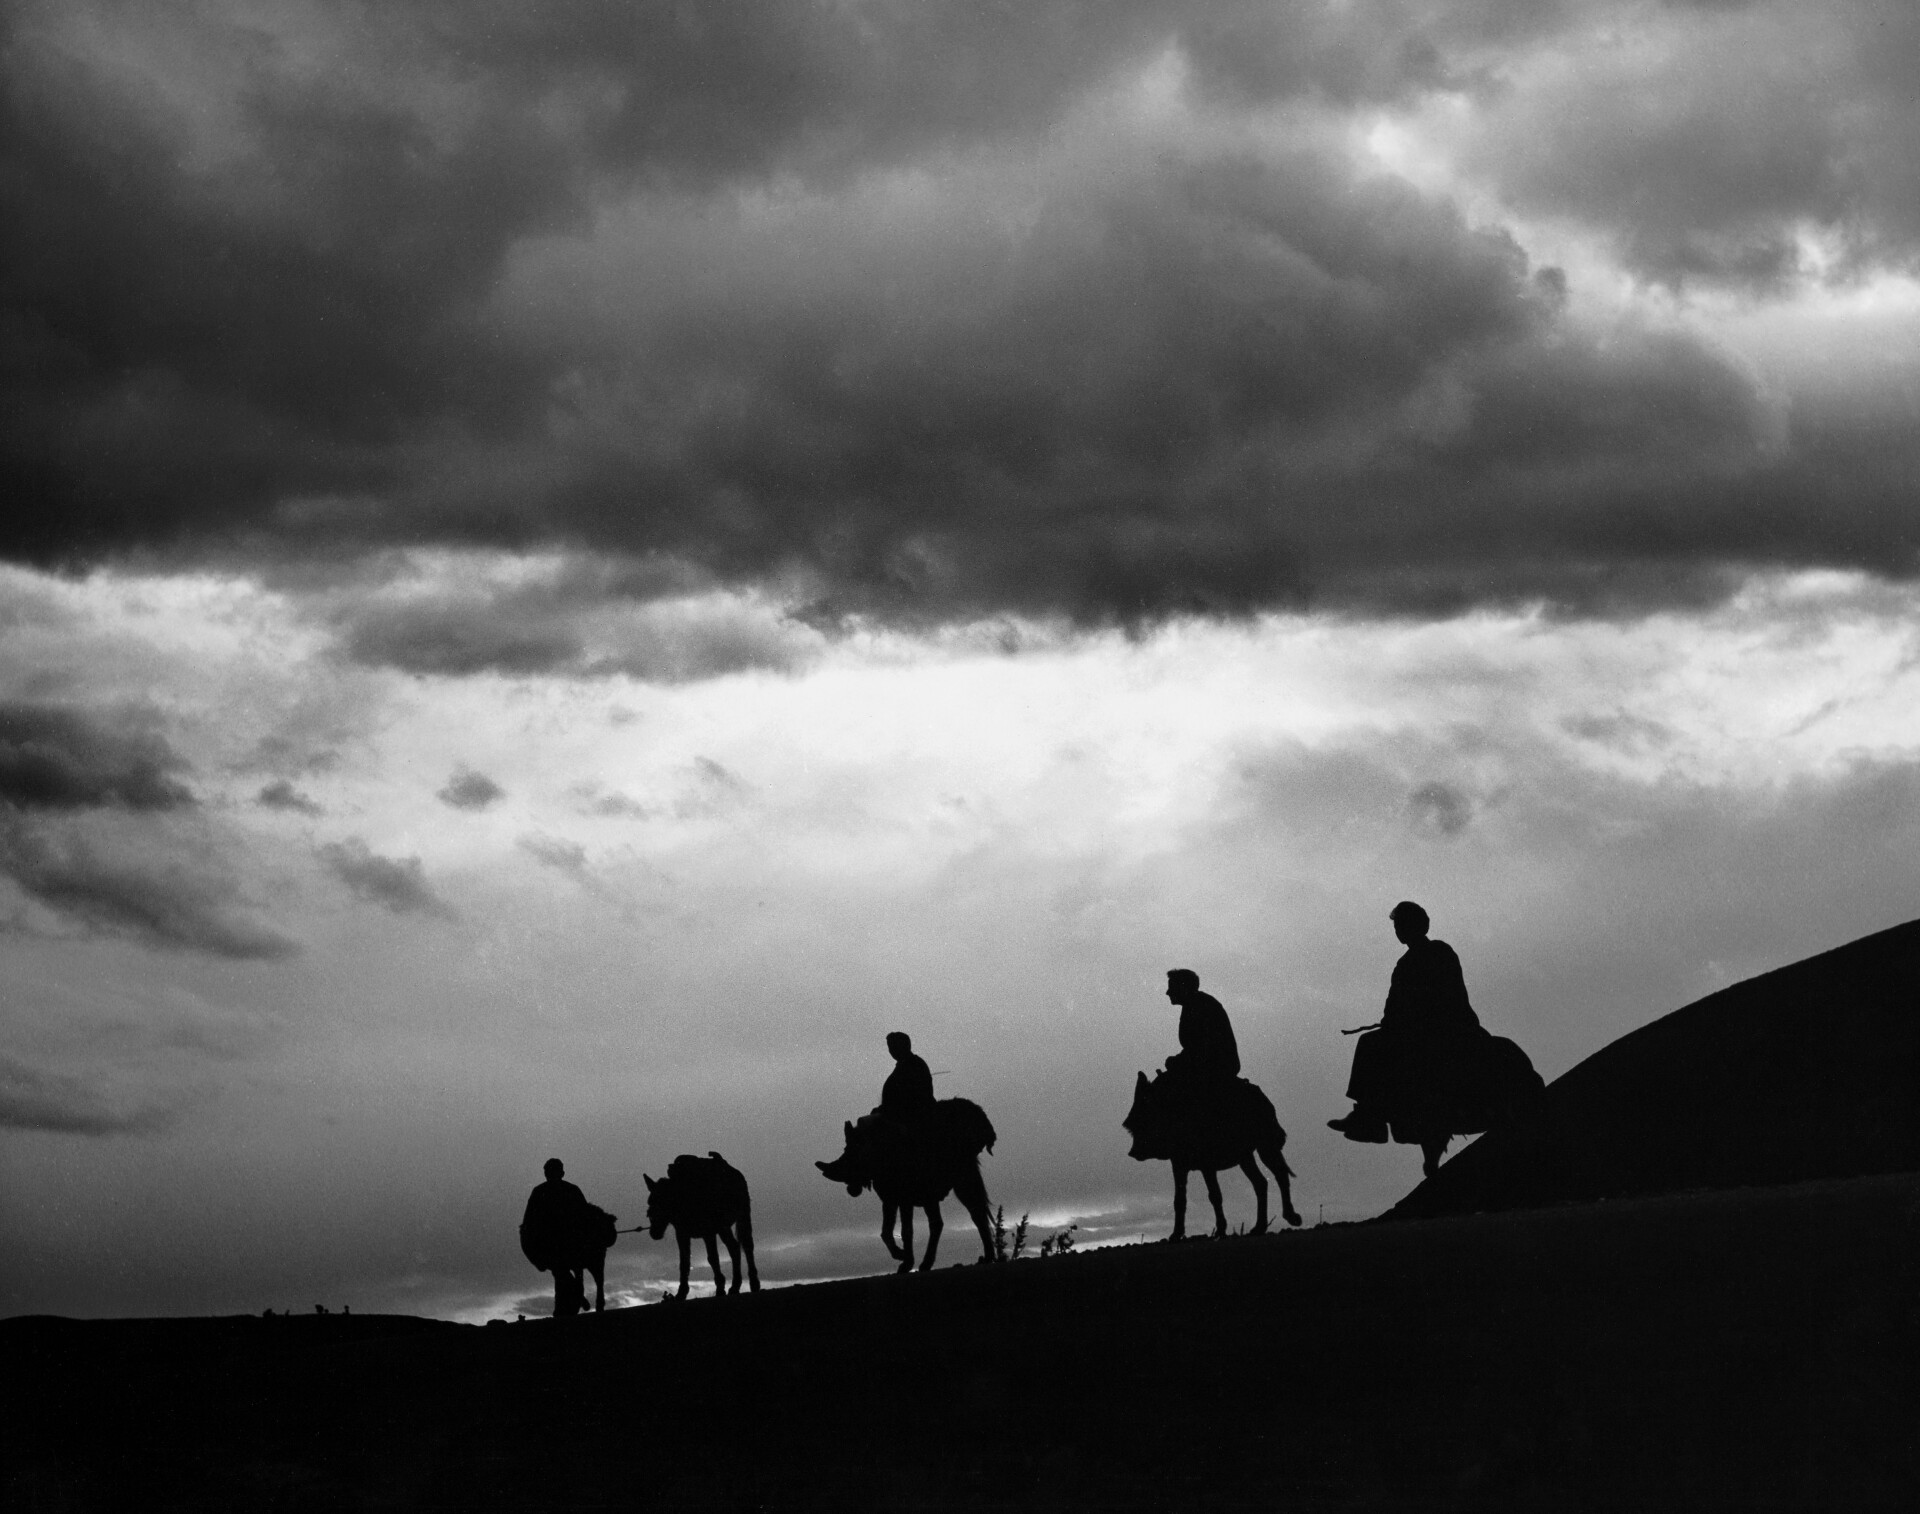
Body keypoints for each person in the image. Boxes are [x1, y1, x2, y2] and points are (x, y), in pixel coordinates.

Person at [1329, 901, 1481, 1143]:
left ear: (1416, 926)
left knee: (1369, 1043)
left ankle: (1370, 1118)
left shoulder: (1437, 952)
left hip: (1443, 1026)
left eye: (1401, 925)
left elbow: (1442, 994)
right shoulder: (1407, 962)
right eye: (1397, 926)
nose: (1398, 930)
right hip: (1420, 1027)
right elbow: (1393, 1006)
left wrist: (1402, 1019)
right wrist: (1392, 1020)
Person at [520, 1158, 592, 1316]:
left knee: (564, 1275)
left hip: (566, 1245)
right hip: (557, 1246)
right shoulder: (547, 1192)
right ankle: (571, 1304)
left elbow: (585, 1216)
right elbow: (529, 1222)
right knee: (564, 1275)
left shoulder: (549, 1191)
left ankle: (569, 1306)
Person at [1162, 969, 1241, 1085]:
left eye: (1172, 987)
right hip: (1213, 1065)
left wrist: (1177, 1061)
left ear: (1183, 988)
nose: (1167, 992)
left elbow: (1202, 1048)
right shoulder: (1194, 1005)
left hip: (1216, 1068)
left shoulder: (1200, 1006)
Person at [879, 1031, 936, 1122]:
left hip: (912, 1118)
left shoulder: (914, 1065)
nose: (891, 1050)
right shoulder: (905, 1065)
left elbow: (911, 1096)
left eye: (894, 1046)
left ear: (904, 1046)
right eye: (890, 1047)